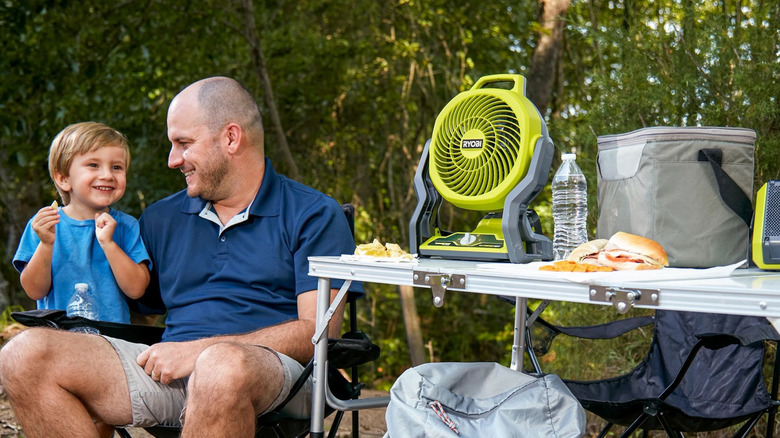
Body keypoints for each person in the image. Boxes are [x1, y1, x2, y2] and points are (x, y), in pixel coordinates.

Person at [0, 76, 359, 438]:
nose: (173, 160)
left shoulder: (313, 213)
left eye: (183, 144)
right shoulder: (160, 219)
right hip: (169, 374)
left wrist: (201, 352)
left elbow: (319, 329)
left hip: (280, 377)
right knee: (24, 354)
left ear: (231, 138)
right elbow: (139, 305)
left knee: (220, 366)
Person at [12, 122, 150, 324]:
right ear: (63, 179)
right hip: (59, 337)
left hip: (111, 339)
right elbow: (34, 291)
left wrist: (109, 244)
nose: (107, 175)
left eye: (117, 167)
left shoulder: (127, 226)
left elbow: (137, 289)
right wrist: (46, 244)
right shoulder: (44, 225)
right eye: (93, 165)